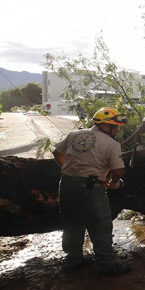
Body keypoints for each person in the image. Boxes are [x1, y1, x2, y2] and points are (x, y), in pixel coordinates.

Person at [52, 107, 130, 276]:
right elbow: (118, 172)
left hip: (66, 184)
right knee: (100, 225)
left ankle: (73, 261)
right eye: (115, 126)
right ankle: (107, 265)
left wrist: (72, 170)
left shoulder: (75, 135)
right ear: (106, 126)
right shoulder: (112, 144)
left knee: (72, 223)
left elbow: (57, 153)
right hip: (91, 187)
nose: (117, 130)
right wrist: (114, 183)